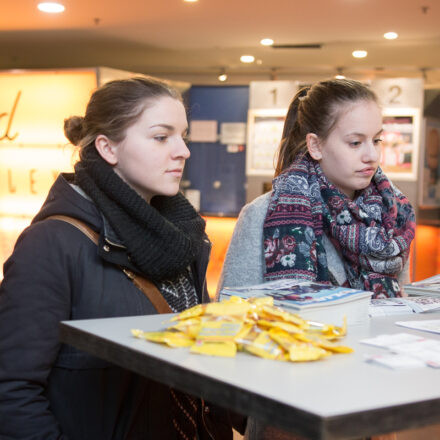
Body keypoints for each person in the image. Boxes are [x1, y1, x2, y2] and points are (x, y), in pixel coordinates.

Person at [0, 77, 244, 439]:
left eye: (183, 136)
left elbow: (202, 355)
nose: (183, 151)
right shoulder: (52, 243)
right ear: (108, 148)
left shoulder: (183, 236)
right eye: (162, 137)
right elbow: (11, 391)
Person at [218, 78, 416, 440]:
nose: (371, 155)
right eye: (355, 142)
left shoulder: (392, 217)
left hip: (371, 405)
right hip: (290, 413)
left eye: (377, 140)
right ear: (315, 145)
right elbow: (231, 325)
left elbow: (398, 313)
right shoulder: (264, 216)